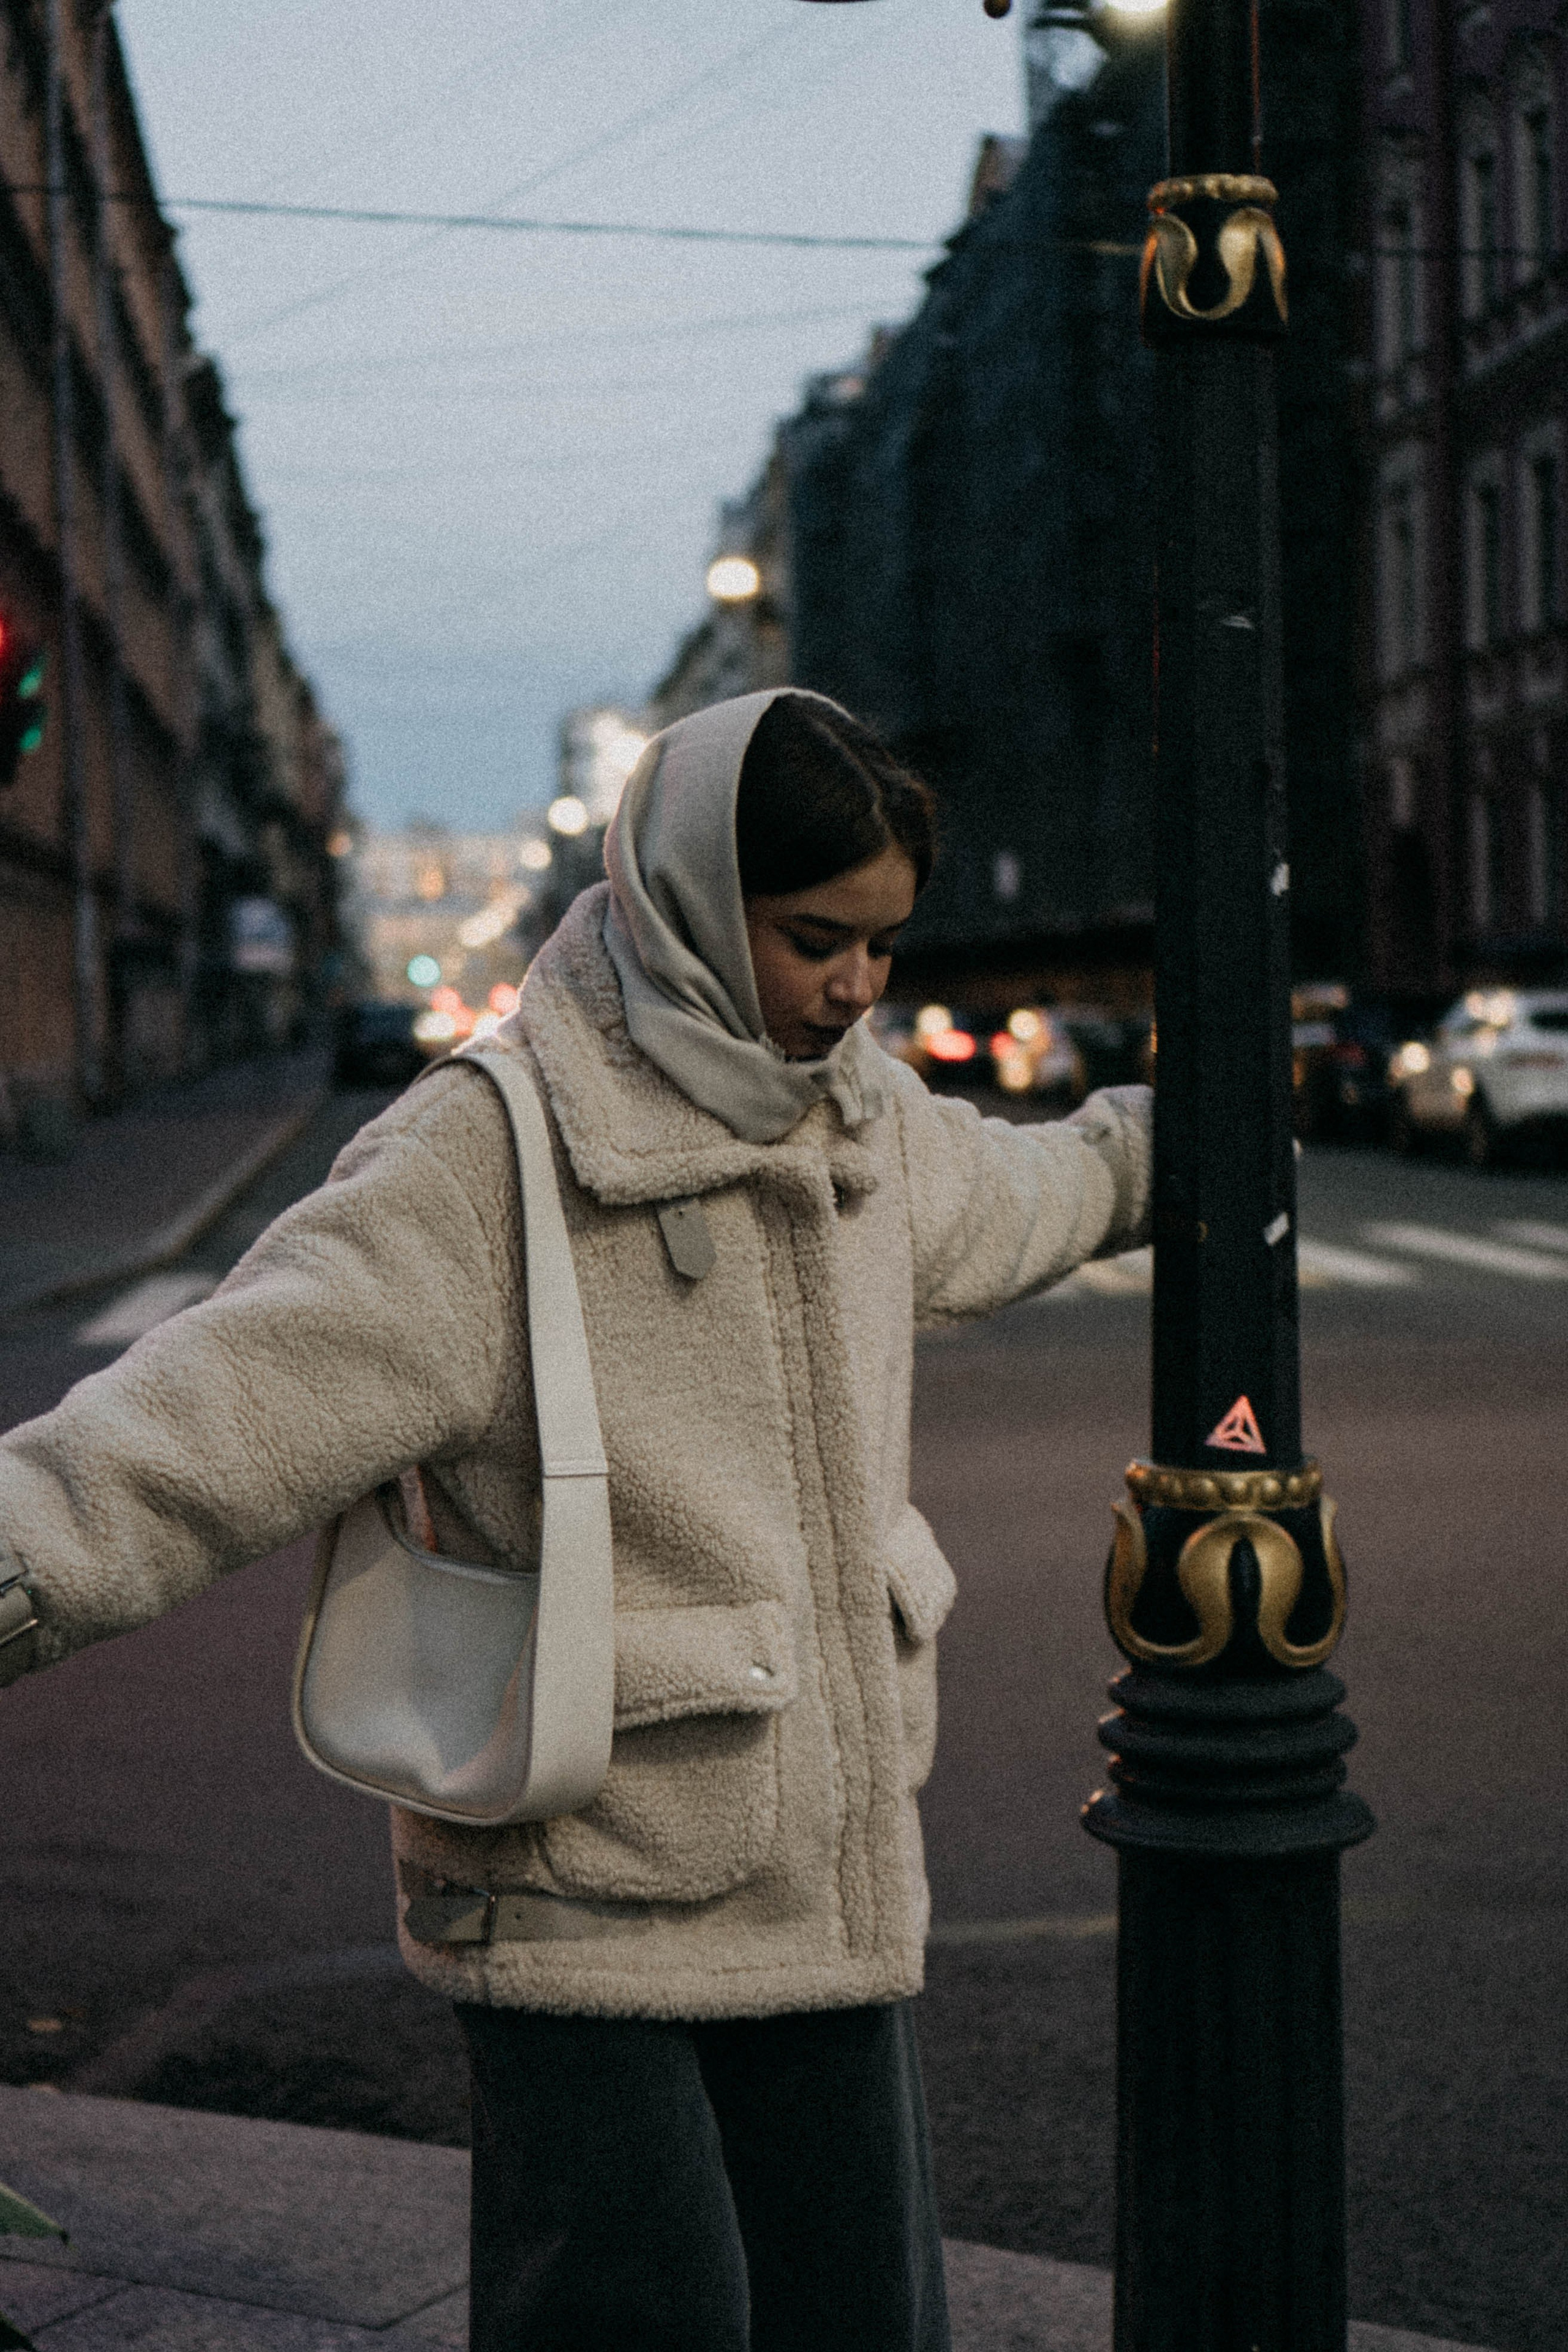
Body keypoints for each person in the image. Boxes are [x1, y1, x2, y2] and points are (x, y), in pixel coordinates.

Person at [0, 688, 1151, 2352]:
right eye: (818, 936)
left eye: (887, 948)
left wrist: (1165, 1147)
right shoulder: (493, 1149)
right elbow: (196, 1426)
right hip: (578, 1875)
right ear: (688, 896)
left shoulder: (859, 1115)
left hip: (824, 1874)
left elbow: (1033, 1195)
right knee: (628, 2315)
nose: (856, 988)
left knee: (855, 2316)